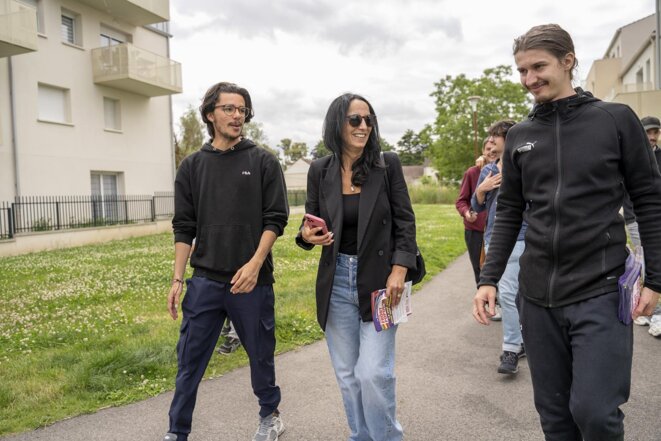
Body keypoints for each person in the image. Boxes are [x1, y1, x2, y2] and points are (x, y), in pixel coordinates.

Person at [473, 24, 661, 441]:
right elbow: (509, 213)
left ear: (568, 61)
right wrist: (489, 279)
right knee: (555, 419)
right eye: (521, 70)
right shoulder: (520, 136)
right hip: (537, 297)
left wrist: (657, 280)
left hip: (601, 288)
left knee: (595, 413)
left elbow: (649, 200)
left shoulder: (615, 120)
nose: (529, 79)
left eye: (538, 67)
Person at [164, 82, 289, 441]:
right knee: (189, 361)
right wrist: (177, 280)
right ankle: (177, 430)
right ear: (210, 115)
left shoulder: (263, 161)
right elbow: (184, 226)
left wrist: (254, 264)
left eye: (242, 110)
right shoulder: (192, 166)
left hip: (252, 280)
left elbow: (275, 219)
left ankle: (270, 415)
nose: (238, 116)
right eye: (229, 109)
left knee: (260, 355)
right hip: (204, 280)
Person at [295, 93, 417, 441]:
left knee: (374, 373)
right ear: (338, 123)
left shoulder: (387, 164)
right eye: (355, 120)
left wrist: (399, 269)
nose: (364, 126)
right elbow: (310, 227)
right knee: (348, 375)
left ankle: (387, 438)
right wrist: (307, 235)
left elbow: (405, 223)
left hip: (381, 282)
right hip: (336, 283)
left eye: (368, 119)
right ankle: (361, 435)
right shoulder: (320, 169)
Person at [471, 119, 527, 374]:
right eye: (490, 137)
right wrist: (482, 189)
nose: (491, 141)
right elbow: (477, 206)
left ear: (510, 138)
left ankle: (519, 341)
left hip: (527, 237)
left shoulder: (527, 166)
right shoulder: (488, 170)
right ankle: (512, 348)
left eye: (496, 137)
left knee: (518, 293)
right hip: (495, 239)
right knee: (506, 292)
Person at [630, 115, 661, 336]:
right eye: (648, 132)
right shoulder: (631, 155)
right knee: (646, 263)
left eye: (655, 132)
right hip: (636, 218)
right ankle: (653, 313)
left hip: (656, 216)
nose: (651, 137)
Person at [455, 138, 491, 286]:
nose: (491, 152)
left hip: (498, 230)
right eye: (488, 149)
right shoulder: (472, 172)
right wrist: (467, 213)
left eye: (494, 148)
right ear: (483, 151)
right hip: (475, 231)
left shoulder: (507, 170)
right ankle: (485, 305)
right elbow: (461, 201)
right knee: (480, 270)